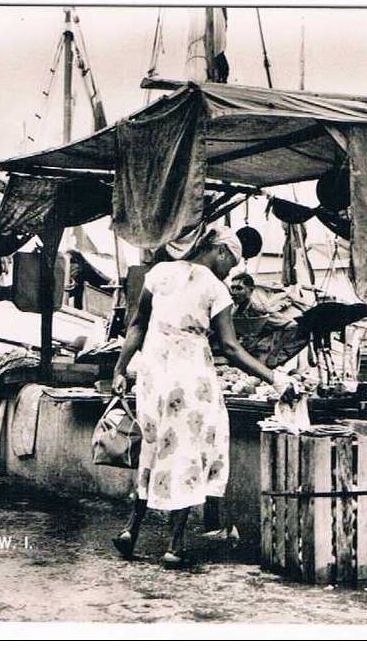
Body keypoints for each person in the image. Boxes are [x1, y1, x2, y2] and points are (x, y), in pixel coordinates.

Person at [110, 225, 295, 567]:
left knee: (154, 447)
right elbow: (230, 346)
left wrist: (120, 370)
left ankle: (130, 531)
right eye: (232, 262)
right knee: (189, 453)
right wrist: (273, 378)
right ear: (221, 251)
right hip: (190, 376)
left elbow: (136, 325)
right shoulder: (215, 287)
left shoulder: (158, 273)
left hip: (153, 374)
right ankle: (174, 546)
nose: (231, 270)